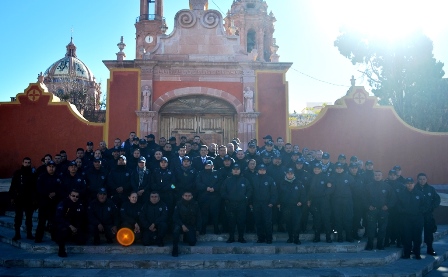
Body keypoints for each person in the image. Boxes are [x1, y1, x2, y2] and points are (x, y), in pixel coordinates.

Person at [221, 164, 252, 243]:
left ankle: (241, 237)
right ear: (232, 170)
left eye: (237, 169)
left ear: (240, 170)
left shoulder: (245, 180)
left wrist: (245, 198)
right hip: (230, 204)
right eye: (234, 169)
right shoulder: (227, 180)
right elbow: (222, 191)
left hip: (242, 204)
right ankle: (231, 237)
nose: (236, 170)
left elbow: (249, 190)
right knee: (231, 221)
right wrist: (227, 198)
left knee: (241, 221)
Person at [364, 171, 395, 250]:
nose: (377, 176)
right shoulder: (368, 186)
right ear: (373, 176)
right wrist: (368, 206)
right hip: (372, 210)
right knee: (371, 228)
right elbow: (364, 198)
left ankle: (380, 245)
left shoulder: (387, 186)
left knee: (382, 228)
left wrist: (387, 206)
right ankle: (370, 245)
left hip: (383, 211)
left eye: (379, 175)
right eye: (376, 175)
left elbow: (393, 199)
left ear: (382, 176)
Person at [396, 178, 425, 259]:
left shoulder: (419, 193)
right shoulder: (401, 194)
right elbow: (398, 205)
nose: (410, 185)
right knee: (406, 236)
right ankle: (407, 254)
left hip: (417, 218)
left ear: (414, 184)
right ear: (405, 184)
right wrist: (403, 211)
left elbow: (424, 205)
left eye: (411, 183)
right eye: (408, 183)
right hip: (406, 218)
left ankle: (417, 253)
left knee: (417, 237)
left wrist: (419, 211)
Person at [9, 157, 37, 240]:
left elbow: (35, 187)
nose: (27, 164)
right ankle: (17, 234)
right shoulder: (17, 173)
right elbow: (13, 186)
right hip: (19, 199)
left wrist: (35, 199)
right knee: (18, 217)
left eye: (29, 162)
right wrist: (12, 197)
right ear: (22, 163)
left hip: (29, 199)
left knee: (29, 218)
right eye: (26, 162)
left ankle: (29, 234)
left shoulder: (32, 174)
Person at [54, 189, 87, 257]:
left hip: (74, 226)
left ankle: (72, 237)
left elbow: (81, 218)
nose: (75, 198)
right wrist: (70, 226)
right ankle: (61, 250)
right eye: (73, 196)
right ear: (69, 195)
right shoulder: (63, 203)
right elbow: (59, 217)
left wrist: (77, 228)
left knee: (81, 240)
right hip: (64, 225)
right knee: (62, 230)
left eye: (77, 196)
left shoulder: (80, 204)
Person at [35, 161, 61, 243]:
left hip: (54, 203)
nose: (51, 168)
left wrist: (55, 193)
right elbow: (39, 188)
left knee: (54, 221)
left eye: (53, 166)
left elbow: (61, 188)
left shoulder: (58, 177)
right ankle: (38, 238)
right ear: (46, 167)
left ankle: (54, 237)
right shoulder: (42, 176)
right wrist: (47, 194)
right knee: (42, 221)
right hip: (44, 203)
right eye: (49, 166)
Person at [251, 164, 277, 244]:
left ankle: (269, 238)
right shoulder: (253, 179)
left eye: (263, 170)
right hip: (256, 204)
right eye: (260, 169)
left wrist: (272, 202)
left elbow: (274, 192)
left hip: (267, 204)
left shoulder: (270, 179)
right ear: (258, 170)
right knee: (258, 221)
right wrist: (251, 203)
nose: (262, 171)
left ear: (266, 170)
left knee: (268, 222)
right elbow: (251, 192)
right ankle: (260, 238)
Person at [308, 163, 334, 243]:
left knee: (326, 219)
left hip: (324, 201)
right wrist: (309, 199)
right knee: (317, 220)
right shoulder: (311, 177)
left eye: (318, 169)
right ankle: (317, 237)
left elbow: (331, 188)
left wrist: (324, 194)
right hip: (315, 201)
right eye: (315, 169)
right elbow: (309, 190)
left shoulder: (326, 177)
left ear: (321, 169)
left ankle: (328, 237)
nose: (316, 170)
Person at [416, 173, 441, 256]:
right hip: (417, 215)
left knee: (429, 232)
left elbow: (437, 199)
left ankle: (430, 248)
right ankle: (416, 249)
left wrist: (432, 207)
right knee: (417, 232)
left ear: (426, 179)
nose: (422, 181)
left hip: (428, 214)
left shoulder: (431, 189)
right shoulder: (414, 189)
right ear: (417, 180)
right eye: (420, 179)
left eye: (423, 179)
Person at [171, 191, 202, 257]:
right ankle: (175, 248)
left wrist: (198, 229)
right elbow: (175, 217)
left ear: (192, 196)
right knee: (176, 230)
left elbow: (199, 217)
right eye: (186, 195)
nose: (187, 197)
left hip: (190, 225)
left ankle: (186, 236)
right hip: (180, 224)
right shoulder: (178, 204)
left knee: (192, 242)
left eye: (189, 195)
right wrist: (182, 225)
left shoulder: (195, 204)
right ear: (182, 196)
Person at [331, 162, 355, 242]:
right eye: (337, 168)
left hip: (347, 201)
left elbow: (353, 188)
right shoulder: (332, 177)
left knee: (348, 219)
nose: (339, 169)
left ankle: (349, 236)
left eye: (340, 168)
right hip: (336, 201)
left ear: (343, 169)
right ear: (335, 169)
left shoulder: (349, 177)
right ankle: (340, 237)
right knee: (338, 219)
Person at [195, 160, 221, 234]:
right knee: (204, 214)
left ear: (212, 166)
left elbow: (221, 182)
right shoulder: (200, 173)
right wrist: (206, 188)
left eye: (209, 165)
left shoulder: (217, 173)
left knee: (215, 214)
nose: (208, 167)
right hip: (204, 197)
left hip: (215, 197)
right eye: (206, 165)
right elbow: (198, 183)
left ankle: (216, 228)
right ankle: (203, 229)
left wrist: (215, 188)